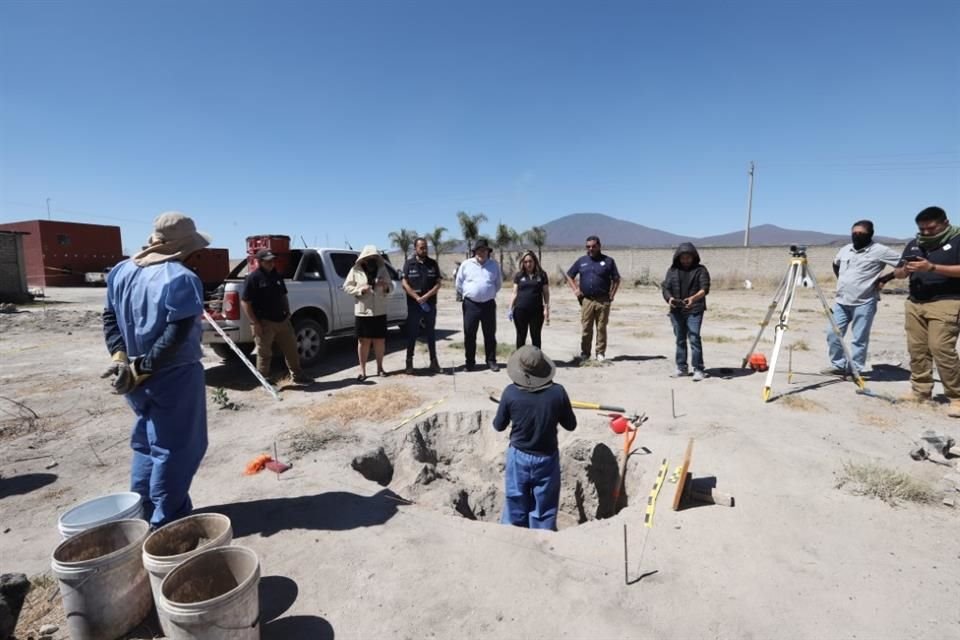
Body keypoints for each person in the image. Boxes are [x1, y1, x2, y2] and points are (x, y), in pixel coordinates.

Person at [100, 211, 209, 528]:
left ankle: (143, 511)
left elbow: (109, 319)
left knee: (148, 444)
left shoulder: (121, 272)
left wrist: (120, 357)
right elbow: (175, 334)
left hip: (134, 377)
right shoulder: (180, 278)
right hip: (172, 374)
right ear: (185, 246)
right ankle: (169, 521)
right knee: (177, 448)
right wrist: (144, 368)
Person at [881, 206, 960, 416]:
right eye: (922, 229)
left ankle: (957, 397)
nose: (925, 233)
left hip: (947, 301)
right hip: (915, 302)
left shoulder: (957, 240)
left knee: (941, 349)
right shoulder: (914, 244)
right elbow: (898, 273)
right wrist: (904, 270)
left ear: (945, 223)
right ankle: (920, 391)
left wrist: (931, 268)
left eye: (930, 229)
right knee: (917, 350)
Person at [493, 346, 577, 531]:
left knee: (515, 501)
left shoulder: (510, 393)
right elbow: (571, 425)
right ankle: (541, 544)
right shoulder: (558, 392)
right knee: (544, 507)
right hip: (546, 457)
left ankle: (512, 540)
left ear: (520, 371)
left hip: (519, 456)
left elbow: (498, 425)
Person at [821, 220, 901, 377]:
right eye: (854, 233)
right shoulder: (845, 249)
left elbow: (903, 264)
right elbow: (835, 263)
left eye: (861, 233)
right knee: (832, 333)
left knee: (859, 339)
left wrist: (884, 279)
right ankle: (838, 365)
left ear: (870, 234)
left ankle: (855, 369)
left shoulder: (880, 251)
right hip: (841, 301)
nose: (856, 236)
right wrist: (842, 279)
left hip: (864, 302)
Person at [241, 248, 310, 384]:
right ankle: (264, 380)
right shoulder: (253, 278)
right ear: (260, 262)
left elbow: (283, 295)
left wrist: (287, 311)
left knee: (291, 350)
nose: (271, 263)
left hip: (283, 320)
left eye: (272, 260)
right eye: (268, 261)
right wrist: (255, 323)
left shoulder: (276, 276)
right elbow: (245, 302)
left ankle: (298, 375)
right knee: (264, 354)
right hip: (264, 322)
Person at [565, 235, 620, 362]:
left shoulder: (608, 261)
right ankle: (585, 353)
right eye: (588, 247)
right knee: (586, 327)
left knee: (601, 327)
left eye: (593, 246)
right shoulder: (581, 261)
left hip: (603, 300)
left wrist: (612, 294)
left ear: (599, 246)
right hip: (587, 300)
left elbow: (616, 279)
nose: (591, 249)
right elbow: (569, 275)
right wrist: (575, 290)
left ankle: (600, 353)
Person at [661, 242, 711, 381]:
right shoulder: (672, 270)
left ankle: (699, 369)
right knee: (680, 339)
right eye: (683, 257)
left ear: (694, 257)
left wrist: (693, 299)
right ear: (678, 257)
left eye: (688, 257)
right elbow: (666, 288)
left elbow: (704, 288)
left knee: (694, 338)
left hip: (695, 310)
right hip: (677, 310)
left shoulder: (701, 270)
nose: (686, 260)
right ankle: (681, 367)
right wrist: (670, 299)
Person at [344, 245, 392, 380]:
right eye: (369, 257)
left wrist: (385, 286)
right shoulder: (355, 270)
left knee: (379, 341)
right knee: (363, 342)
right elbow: (346, 287)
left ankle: (380, 368)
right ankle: (362, 371)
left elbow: (391, 286)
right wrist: (360, 290)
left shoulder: (382, 269)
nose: (372, 260)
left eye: (374, 257)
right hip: (363, 312)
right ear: (363, 258)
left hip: (379, 311)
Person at [454, 238, 502, 371]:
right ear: (475, 252)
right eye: (479, 250)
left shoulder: (494, 265)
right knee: (469, 334)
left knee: (490, 334)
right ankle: (470, 362)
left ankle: (491, 361)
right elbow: (458, 284)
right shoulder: (466, 264)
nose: (482, 252)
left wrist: (487, 293)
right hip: (471, 305)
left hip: (488, 305)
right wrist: (470, 294)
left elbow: (498, 284)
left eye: (484, 250)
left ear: (488, 251)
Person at [401, 237, 442, 374]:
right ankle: (409, 362)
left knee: (430, 333)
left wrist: (426, 296)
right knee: (412, 333)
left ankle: (434, 362)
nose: (424, 250)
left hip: (429, 304)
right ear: (415, 249)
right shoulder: (409, 263)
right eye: (421, 247)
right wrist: (417, 297)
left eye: (425, 247)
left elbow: (438, 283)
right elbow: (404, 283)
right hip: (414, 305)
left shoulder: (432, 263)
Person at [508, 250, 550, 349]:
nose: (528, 264)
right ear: (522, 263)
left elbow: (546, 293)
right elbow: (514, 293)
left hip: (536, 311)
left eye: (530, 261)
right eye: (525, 262)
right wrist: (510, 308)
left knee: (536, 336)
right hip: (520, 310)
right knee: (521, 336)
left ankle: (536, 360)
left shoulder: (542, 275)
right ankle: (520, 359)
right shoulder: (519, 275)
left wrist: (546, 308)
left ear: (535, 261)